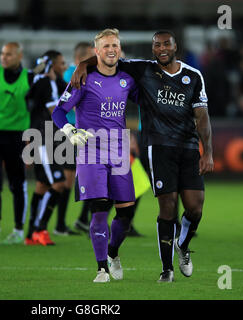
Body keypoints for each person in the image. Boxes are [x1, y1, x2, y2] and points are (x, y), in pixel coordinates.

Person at [72, 30, 214, 282]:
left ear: (175, 46)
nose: (161, 49)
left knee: (194, 209)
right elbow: (109, 57)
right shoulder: (144, 69)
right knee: (166, 207)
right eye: (157, 45)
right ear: (152, 48)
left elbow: (202, 116)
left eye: (166, 44)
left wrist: (208, 152)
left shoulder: (193, 76)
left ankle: (183, 244)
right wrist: (84, 63)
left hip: (189, 147)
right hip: (157, 147)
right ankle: (166, 270)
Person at [53, 28, 138, 282]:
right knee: (99, 209)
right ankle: (101, 268)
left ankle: (113, 253)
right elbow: (58, 111)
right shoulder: (83, 78)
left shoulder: (128, 79)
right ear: (96, 51)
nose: (111, 50)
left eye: (115, 45)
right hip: (91, 151)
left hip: (119, 150)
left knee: (126, 214)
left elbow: (146, 101)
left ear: (119, 49)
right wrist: (69, 130)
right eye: (106, 46)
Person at [0, 42, 37, 245]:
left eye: (9, 54)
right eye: (3, 54)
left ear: (19, 56)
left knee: (17, 183)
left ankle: (18, 230)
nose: (4, 57)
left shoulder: (30, 78)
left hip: (17, 135)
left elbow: (42, 100)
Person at [24, 50, 69, 246]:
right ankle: (40, 229)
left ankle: (30, 234)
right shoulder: (46, 83)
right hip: (45, 139)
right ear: (51, 65)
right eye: (61, 63)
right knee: (58, 183)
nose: (64, 66)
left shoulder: (52, 83)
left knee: (42, 185)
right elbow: (54, 111)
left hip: (45, 138)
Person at [63, 42, 96, 234]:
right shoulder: (72, 74)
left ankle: (84, 219)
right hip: (71, 133)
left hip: (82, 132)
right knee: (66, 182)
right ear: (80, 59)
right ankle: (59, 223)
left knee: (89, 178)